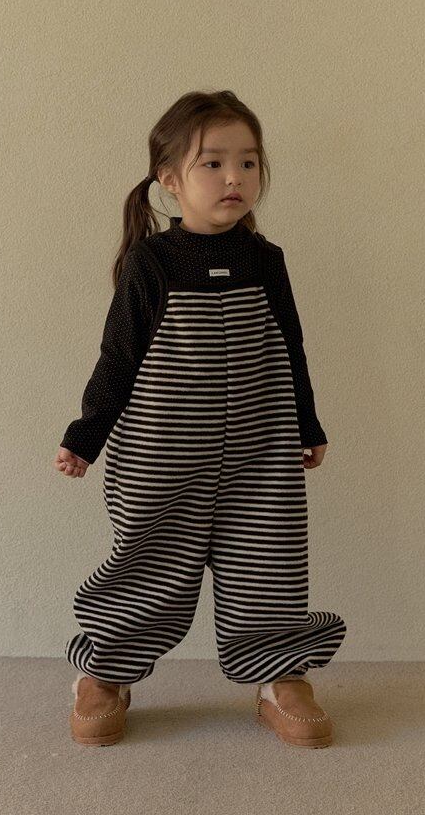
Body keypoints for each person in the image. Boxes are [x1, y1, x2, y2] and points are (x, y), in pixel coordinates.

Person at [54, 89, 346, 747]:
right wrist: (85, 436)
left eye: (248, 162)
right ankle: (105, 672)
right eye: (212, 163)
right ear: (169, 179)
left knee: (269, 560)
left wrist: (307, 424)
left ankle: (278, 675)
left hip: (261, 451)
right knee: (147, 562)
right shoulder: (151, 263)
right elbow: (118, 357)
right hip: (161, 453)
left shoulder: (266, 261)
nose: (233, 177)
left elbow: (290, 346)